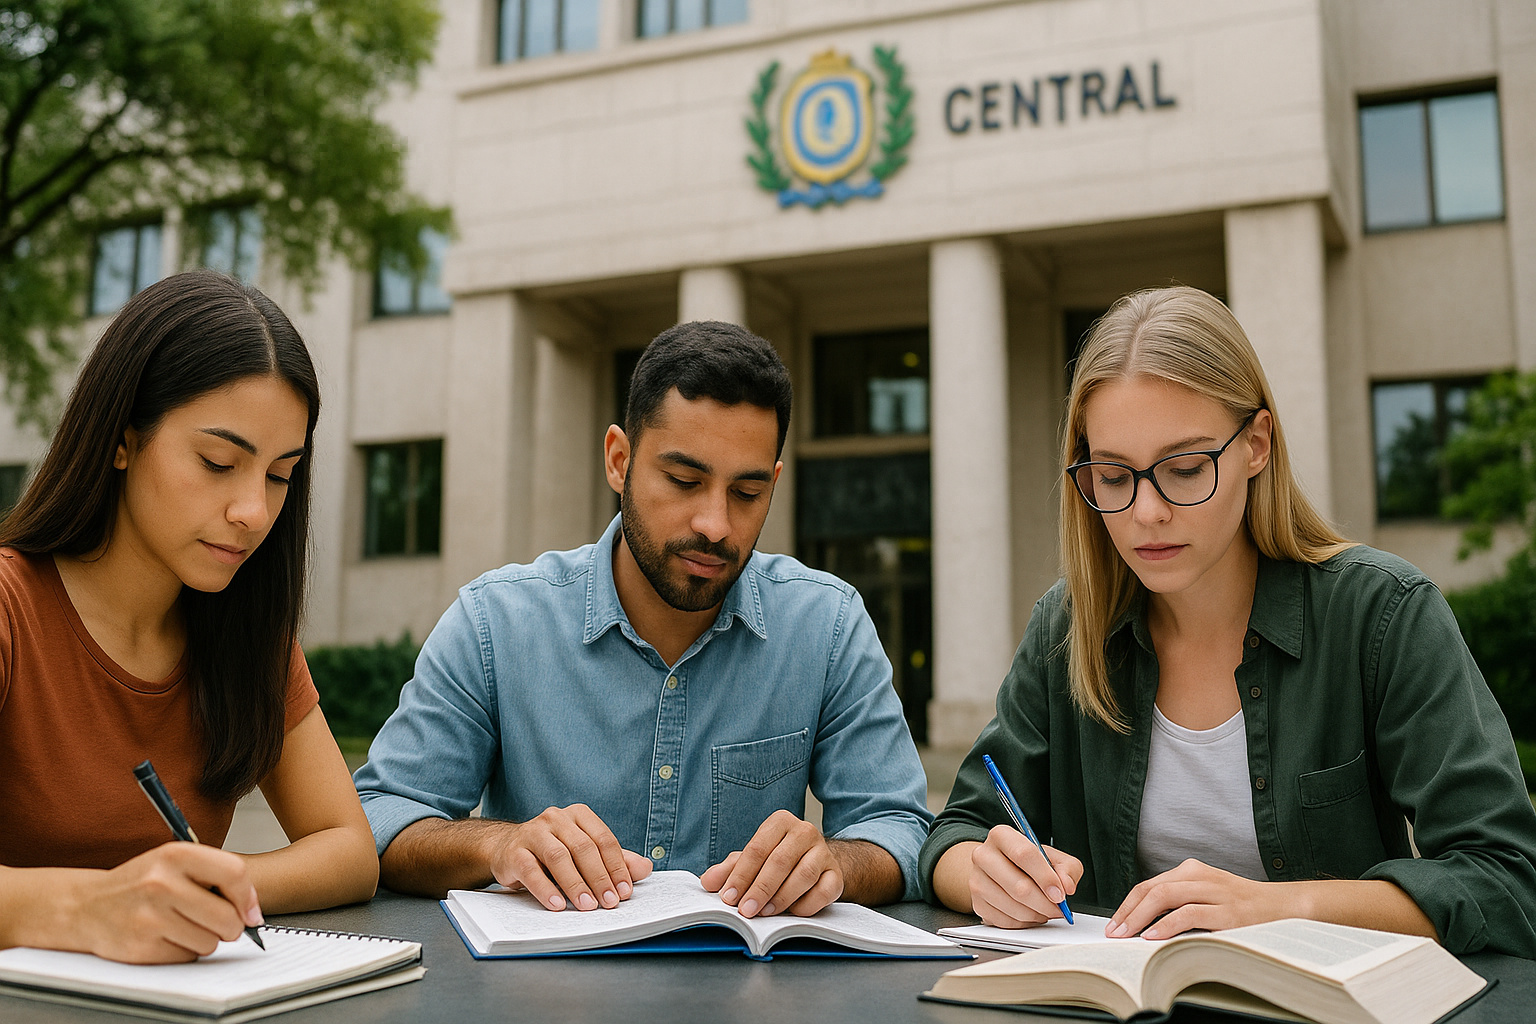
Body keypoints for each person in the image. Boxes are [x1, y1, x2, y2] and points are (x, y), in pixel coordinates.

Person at [920, 286, 1536, 957]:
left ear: (1256, 445)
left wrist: (1280, 907)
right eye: (1114, 477)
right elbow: (954, 836)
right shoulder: (1068, 628)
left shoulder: (1382, 615)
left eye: (1185, 469)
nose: (1147, 512)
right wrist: (986, 873)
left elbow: (1506, 881)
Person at [355, 320, 931, 918]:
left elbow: (903, 832)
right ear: (619, 460)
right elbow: (381, 818)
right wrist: (499, 845)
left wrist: (833, 864)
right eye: (684, 481)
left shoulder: (826, 625)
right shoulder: (496, 623)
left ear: (774, 484)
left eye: (746, 493)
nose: (715, 525)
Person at [0, 271, 378, 964]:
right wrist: (95, 905)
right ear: (122, 440)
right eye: (217, 462)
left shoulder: (246, 633)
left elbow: (350, 851)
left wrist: (202, 888)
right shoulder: (10, 609)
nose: (253, 512)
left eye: (280, 475)